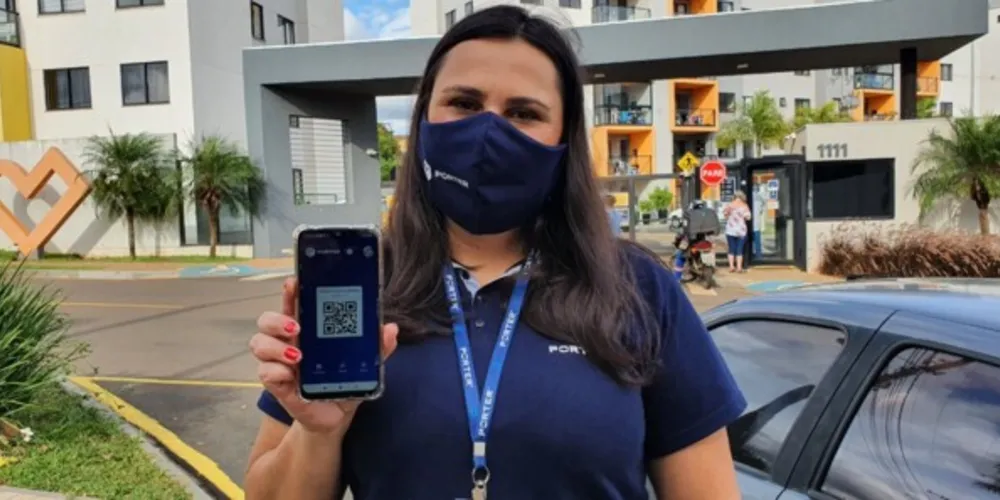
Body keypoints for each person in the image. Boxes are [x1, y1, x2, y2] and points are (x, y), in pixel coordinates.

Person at [245, 6, 746, 499]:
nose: (489, 132)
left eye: (524, 113)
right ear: (422, 122)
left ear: (563, 140)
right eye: (464, 102)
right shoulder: (362, 284)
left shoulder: (638, 288)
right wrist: (317, 432)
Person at [723, 192, 752, 273]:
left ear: (734, 197)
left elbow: (725, 215)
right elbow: (748, 217)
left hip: (730, 229)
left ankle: (731, 266)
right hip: (741, 230)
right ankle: (739, 267)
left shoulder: (730, 205)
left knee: (731, 248)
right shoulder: (744, 205)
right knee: (739, 249)